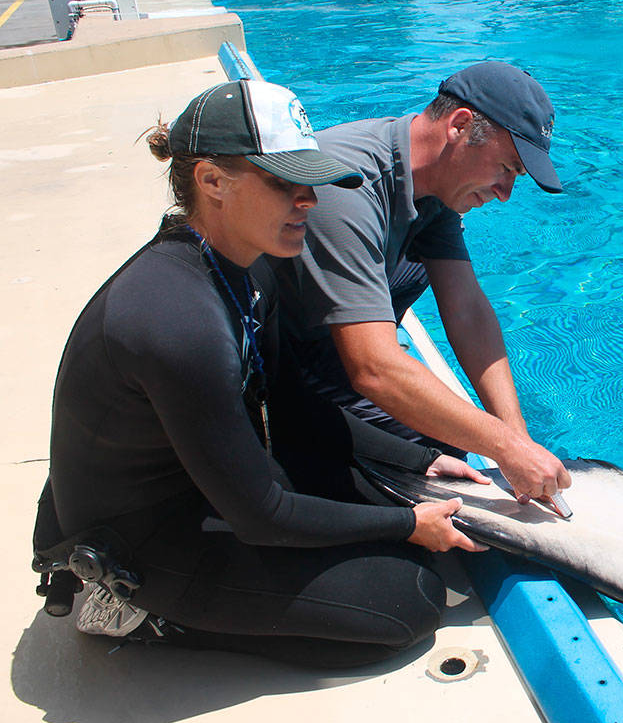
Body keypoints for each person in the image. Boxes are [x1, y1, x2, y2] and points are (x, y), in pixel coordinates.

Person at [34, 79, 490, 667]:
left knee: (402, 516)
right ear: (212, 181)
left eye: (312, 183)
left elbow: (293, 405)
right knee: (407, 600)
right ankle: (135, 613)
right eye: (284, 182)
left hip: (203, 480)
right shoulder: (177, 319)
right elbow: (262, 514)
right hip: (138, 536)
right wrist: (405, 524)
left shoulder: (247, 268)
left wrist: (418, 460)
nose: (309, 201)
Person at [273, 61, 571, 507]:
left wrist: (516, 436)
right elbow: (373, 368)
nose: (506, 192)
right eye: (507, 168)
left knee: (459, 457)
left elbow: (467, 308)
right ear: (460, 126)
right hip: (286, 375)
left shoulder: (434, 186)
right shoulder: (349, 185)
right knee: (444, 494)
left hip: (343, 356)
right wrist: (507, 449)